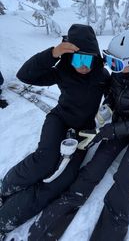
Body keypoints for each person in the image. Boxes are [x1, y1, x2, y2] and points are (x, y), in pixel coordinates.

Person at [28, 29, 129, 241]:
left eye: (116, 63)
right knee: (92, 170)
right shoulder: (119, 74)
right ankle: (47, 228)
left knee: (125, 177)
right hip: (118, 125)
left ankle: (110, 233)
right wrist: (105, 111)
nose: (111, 67)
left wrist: (105, 132)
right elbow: (111, 96)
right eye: (109, 60)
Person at [0, 24, 109, 240]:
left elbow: (117, 98)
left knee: (61, 180)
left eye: (87, 59)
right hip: (59, 120)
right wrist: (52, 53)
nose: (83, 65)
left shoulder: (102, 76)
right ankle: (6, 187)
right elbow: (25, 75)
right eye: (77, 59)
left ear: (95, 57)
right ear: (69, 57)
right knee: (45, 160)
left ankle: (6, 218)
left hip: (82, 133)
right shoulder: (63, 70)